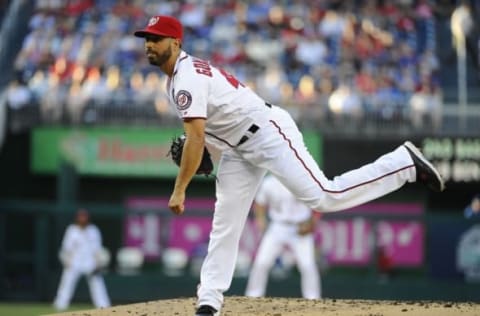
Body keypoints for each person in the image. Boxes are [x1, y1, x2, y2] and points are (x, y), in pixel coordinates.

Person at [134, 15, 445, 316]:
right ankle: (208, 302)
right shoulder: (177, 78)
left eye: (156, 39)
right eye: (147, 39)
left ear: (175, 43)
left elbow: (196, 137)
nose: (149, 44)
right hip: (237, 148)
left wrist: (180, 189)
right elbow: (213, 127)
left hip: (267, 133)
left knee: (324, 195)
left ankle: (403, 163)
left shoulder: (185, 78)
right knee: (225, 222)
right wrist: (204, 148)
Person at [245, 175, 321, 299]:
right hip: (277, 226)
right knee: (261, 262)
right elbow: (260, 204)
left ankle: (313, 299)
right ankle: (253, 296)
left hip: (300, 225)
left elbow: (319, 203)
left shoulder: (303, 179)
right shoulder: (269, 183)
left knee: (307, 265)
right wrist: (260, 219)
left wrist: (311, 223)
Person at [53, 208, 111, 311]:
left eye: (84, 216)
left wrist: (98, 263)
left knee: (98, 285)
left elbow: (98, 249)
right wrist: (67, 261)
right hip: (74, 262)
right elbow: (66, 249)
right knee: (66, 284)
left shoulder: (94, 230)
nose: (83, 218)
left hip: (90, 262)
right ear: (77, 218)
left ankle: (104, 306)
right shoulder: (72, 230)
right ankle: (60, 306)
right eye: (81, 216)